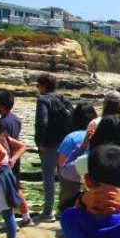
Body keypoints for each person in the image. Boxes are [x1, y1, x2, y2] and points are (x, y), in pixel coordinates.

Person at [34, 72, 72, 222]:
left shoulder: (43, 100)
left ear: (44, 86)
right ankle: (63, 210)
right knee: (64, 177)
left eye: (38, 85)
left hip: (49, 144)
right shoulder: (64, 99)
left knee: (48, 177)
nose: (38, 88)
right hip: (64, 143)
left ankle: (48, 211)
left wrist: (40, 142)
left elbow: (42, 122)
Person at [0, 90, 32, 227]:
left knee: (7, 190)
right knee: (16, 187)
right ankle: (26, 216)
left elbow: (2, 144)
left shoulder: (2, 123)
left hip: (7, 160)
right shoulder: (16, 119)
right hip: (16, 157)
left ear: (1, 105)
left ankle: (10, 223)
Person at [56, 103, 100, 211]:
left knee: (68, 206)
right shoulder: (99, 134)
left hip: (72, 179)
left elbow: (61, 162)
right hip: (94, 178)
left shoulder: (71, 137)